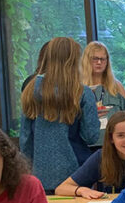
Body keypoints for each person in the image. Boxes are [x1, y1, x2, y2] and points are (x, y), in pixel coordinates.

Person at [20, 37, 100, 191]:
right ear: (72, 61)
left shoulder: (30, 90)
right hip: (76, 174)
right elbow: (91, 136)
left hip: (39, 175)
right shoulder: (82, 93)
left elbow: (26, 140)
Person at [54, 111, 125, 198]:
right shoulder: (100, 157)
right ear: (111, 138)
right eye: (121, 135)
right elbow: (61, 188)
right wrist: (81, 190)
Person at [82, 41, 125, 143]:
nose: (99, 62)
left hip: (114, 144)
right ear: (86, 60)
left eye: (103, 59)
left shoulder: (116, 86)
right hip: (87, 146)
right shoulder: (78, 88)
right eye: (95, 58)